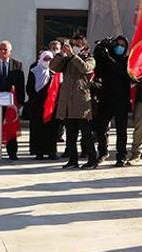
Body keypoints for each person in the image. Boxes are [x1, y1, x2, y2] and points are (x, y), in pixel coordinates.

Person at [50, 35, 99, 169]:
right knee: (70, 134)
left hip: (82, 101)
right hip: (67, 102)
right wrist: (61, 54)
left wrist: (73, 56)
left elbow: (85, 68)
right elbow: (53, 66)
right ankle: (73, 159)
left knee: (86, 134)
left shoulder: (89, 58)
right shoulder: (67, 59)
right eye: (74, 44)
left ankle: (92, 159)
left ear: (84, 46)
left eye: (78, 44)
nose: (75, 47)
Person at [93, 35, 132, 166]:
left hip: (121, 99)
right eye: (117, 45)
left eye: (122, 45)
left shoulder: (127, 60)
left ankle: (121, 156)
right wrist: (99, 54)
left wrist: (108, 58)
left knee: (121, 130)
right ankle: (103, 151)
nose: (119, 48)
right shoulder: (107, 59)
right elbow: (98, 72)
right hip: (106, 97)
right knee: (100, 127)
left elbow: (121, 72)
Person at [0, 40, 25, 160]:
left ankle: (12, 153)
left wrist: (20, 102)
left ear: (10, 51)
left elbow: (20, 85)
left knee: (11, 128)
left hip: (11, 103)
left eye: (5, 49)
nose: (2, 51)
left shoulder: (17, 65)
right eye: (1, 49)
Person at [26, 51, 59, 161]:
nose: (48, 61)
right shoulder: (34, 71)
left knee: (52, 130)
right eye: (46, 59)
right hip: (37, 106)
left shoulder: (54, 73)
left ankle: (51, 152)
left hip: (51, 106)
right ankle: (39, 152)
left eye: (50, 59)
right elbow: (29, 88)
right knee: (38, 129)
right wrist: (36, 99)